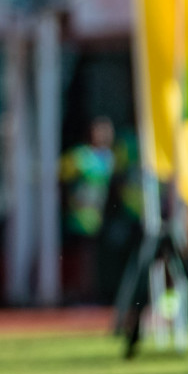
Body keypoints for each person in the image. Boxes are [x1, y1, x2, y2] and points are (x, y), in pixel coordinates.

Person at [60, 116, 115, 303]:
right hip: (79, 218)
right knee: (82, 258)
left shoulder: (110, 157)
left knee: (93, 259)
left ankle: (92, 292)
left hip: (97, 218)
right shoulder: (80, 156)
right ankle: (80, 293)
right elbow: (61, 177)